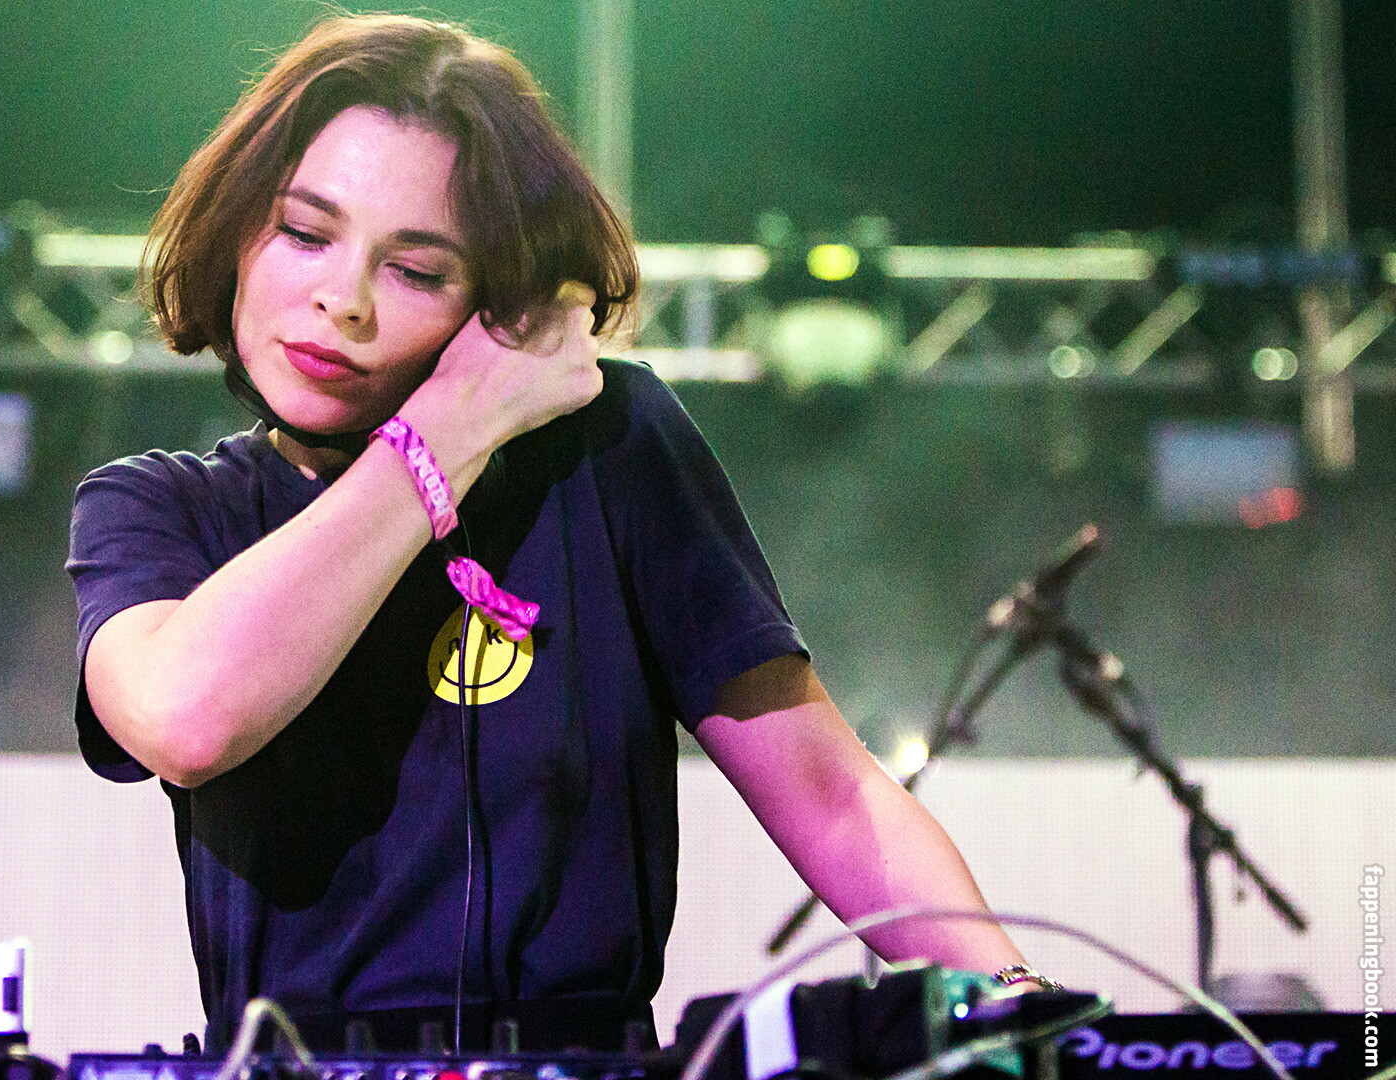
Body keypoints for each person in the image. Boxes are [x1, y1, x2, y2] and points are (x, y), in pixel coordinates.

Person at [68, 12, 1045, 1055]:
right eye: (306, 234)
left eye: (416, 271)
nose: (341, 301)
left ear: (505, 302)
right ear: (233, 230)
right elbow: (188, 721)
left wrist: (1021, 1008)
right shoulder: (155, 508)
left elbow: (834, 798)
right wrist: (441, 438)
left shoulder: (612, 448)